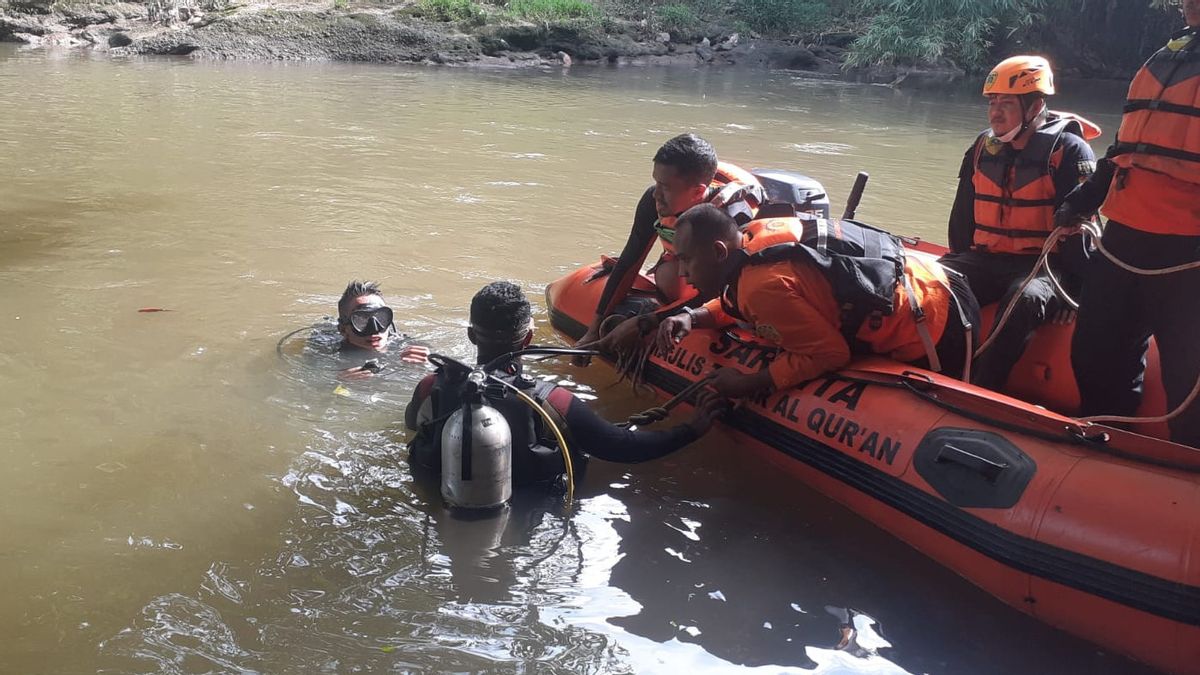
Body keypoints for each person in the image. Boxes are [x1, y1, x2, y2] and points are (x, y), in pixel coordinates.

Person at [405, 281, 726, 487]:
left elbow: (410, 424)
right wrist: (692, 429)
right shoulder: (553, 401)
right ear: (529, 339)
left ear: (471, 335)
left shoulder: (430, 387)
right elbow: (623, 447)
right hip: (531, 516)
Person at [1056, 0, 1200, 447]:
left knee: (1188, 380)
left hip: (1188, 255)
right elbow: (1129, 144)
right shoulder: (1170, 56)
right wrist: (1087, 196)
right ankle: (1107, 443)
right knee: (1095, 354)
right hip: (1123, 242)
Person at [651, 205, 979, 399]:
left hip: (939, 321)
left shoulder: (761, 289)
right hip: (934, 278)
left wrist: (749, 383)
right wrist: (694, 317)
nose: (682, 272)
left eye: (687, 261)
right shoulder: (753, 237)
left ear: (719, 252)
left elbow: (830, 353)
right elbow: (743, 301)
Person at [939, 55, 1100, 390]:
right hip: (986, 258)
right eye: (993, 103)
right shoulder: (982, 148)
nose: (995, 112)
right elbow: (962, 219)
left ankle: (983, 388)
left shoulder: (1069, 150)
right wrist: (956, 261)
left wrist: (1076, 287)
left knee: (1022, 299)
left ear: (1034, 106)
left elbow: (1083, 228)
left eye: (1007, 103)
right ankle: (935, 365)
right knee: (935, 280)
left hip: (1043, 266)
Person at [573, 134, 763, 364]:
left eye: (665, 187)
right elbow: (630, 261)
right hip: (691, 268)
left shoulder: (731, 220)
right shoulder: (654, 200)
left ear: (697, 192)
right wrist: (594, 328)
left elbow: (725, 292)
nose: (656, 194)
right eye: (656, 182)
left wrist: (648, 321)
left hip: (736, 280)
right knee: (669, 275)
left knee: (677, 277)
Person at [335, 280, 428, 379]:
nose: (375, 329)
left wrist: (430, 366)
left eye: (380, 317)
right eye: (361, 320)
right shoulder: (326, 353)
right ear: (343, 330)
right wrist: (339, 384)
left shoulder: (412, 347)